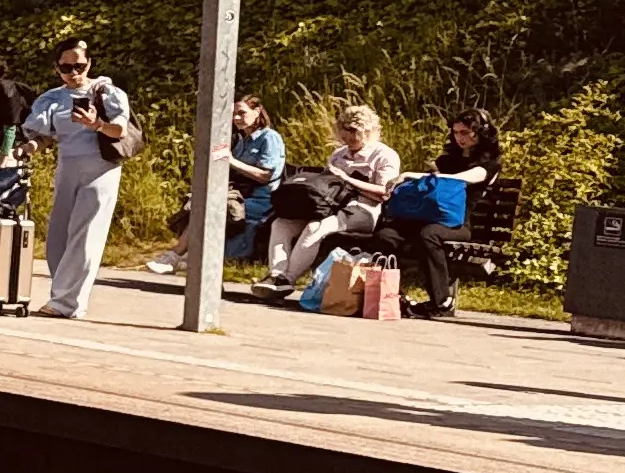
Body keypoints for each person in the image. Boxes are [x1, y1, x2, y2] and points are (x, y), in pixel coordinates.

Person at [24, 34, 132, 318]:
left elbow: (119, 130)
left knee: (86, 234)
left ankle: (66, 302)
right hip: (68, 167)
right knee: (59, 235)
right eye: (66, 67)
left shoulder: (108, 92)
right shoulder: (52, 98)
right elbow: (44, 137)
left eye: (80, 66)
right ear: (56, 68)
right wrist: (27, 148)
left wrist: (96, 124)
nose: (74, 73)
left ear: (89, 64)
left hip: (101, 168)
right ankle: (64, 296)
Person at [261, 105, 402, 296]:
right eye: (344, 131)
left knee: (315, 228)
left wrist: (347, 179)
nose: (348, 138)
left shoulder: (384, 155)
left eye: (354, 132)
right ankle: (276, 274)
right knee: (281, 224)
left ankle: (287, 280)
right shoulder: (339, 154)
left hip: (364, 210)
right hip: (331, 205)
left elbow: (385, 193)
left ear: (369, 131)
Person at [146, 92, 284, 278]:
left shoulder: (270, 138)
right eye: (234, 114)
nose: (236, 118)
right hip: (239, 194)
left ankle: (176, 255)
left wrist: (232, 161)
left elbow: (265, 176)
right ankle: (187, 257)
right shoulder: (240, 141)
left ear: (257, 111)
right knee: (196, 200)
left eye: (241, 113)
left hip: (260, 200)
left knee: (211, 205)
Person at [390, 108, 502, 319]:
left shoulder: (490, 165)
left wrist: (409, 175)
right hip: (428, 217)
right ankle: (391, 295)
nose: (460, 137)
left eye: (466, 132)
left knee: (428, 234)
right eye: (456, 132)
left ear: (481, 133)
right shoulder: (446, 160)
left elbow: (462, 178)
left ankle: (442, 302)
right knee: (387, 233)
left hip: (458, 225)